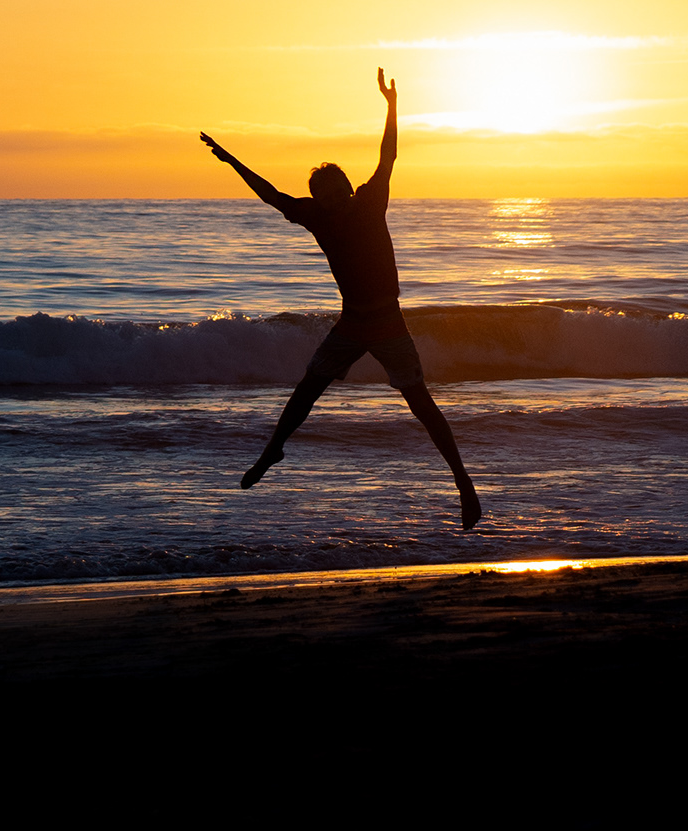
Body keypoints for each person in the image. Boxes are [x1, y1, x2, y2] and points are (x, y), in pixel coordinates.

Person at [201, 68, 482, 531]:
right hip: (351, 324)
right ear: (316, 200)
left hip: (389, 323)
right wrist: (231, 161)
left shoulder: (372, 201)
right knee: (307, 389)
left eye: (336, 193)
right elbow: (271, 195)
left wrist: (391, 105)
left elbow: (388, 154)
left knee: (421, 403)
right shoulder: (316, 218)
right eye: (322, 196)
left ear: (349, 189)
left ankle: (462, 482)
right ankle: (274, 448)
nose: (331, 201)